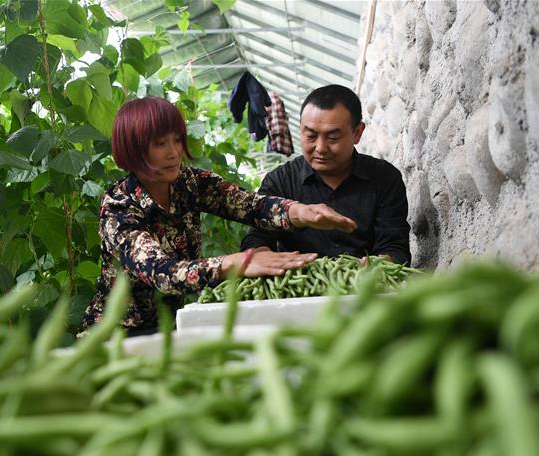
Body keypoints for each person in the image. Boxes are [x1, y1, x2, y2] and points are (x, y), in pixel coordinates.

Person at [79, 96, 358, 336]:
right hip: (117, 335)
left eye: (177, 140)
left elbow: (249, 205)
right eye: (160, 144)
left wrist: (301, 212)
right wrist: (235, 263)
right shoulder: (119, 207)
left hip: (169, 326)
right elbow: (162, 272)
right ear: (135, 148)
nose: (174, 152)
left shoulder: (188, 183)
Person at [241, 85, 411, 265]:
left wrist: (380, 264)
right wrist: (262, 255)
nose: (320, 148)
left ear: (357, 133)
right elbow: (257, 237)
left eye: (332, 137)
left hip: (367, 288)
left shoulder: (385, 178)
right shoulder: (280, 181)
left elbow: (395, 246)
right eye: (311, 136)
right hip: (300, 289)